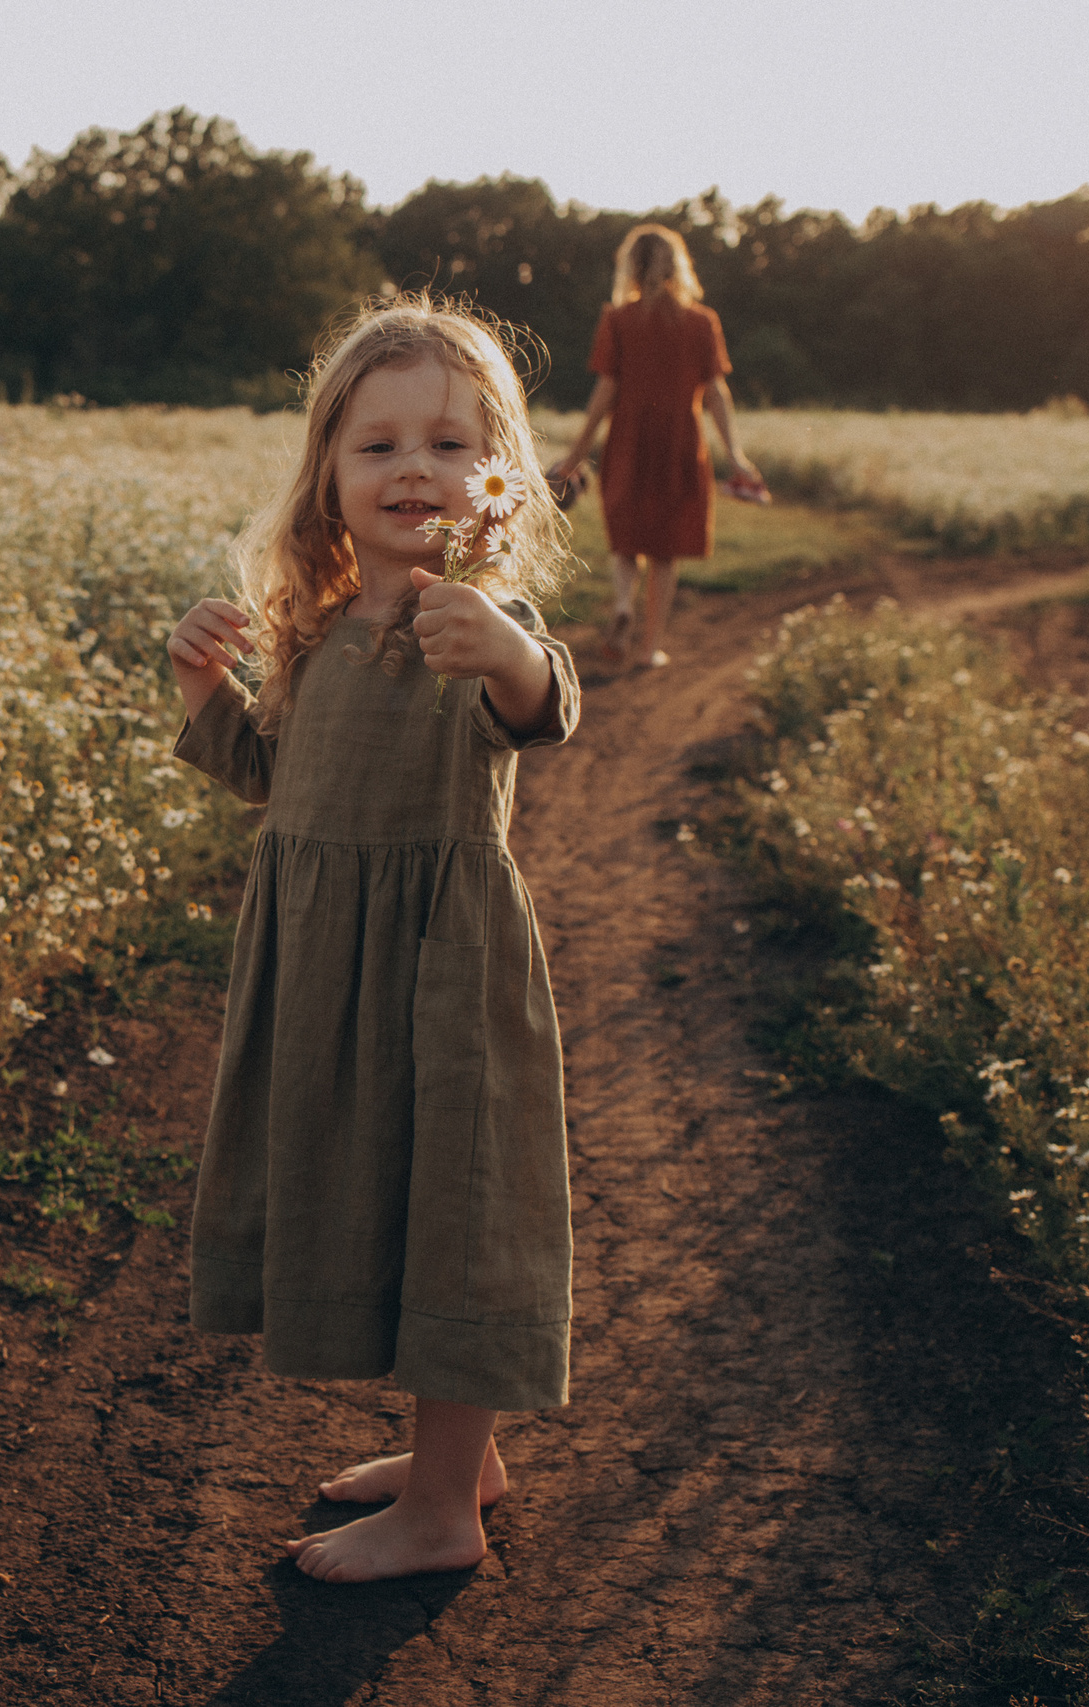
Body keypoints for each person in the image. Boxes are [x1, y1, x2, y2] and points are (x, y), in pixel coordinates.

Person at [164, 297, 580, 1584]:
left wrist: (506, 648)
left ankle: (443, 1513)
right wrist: (203, 689)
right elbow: (271, 779)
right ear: (328, 476)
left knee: (454, 1210)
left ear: (498, 479)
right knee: (385, 1198)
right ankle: (464, 1458)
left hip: (441, 975)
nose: (416, 470)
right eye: (380, 445)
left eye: (453, 446)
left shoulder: (475, 623)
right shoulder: (314, 629)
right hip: (324, 975)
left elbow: (544, 701)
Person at [547, 222, 762, 670]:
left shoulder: (618, 320)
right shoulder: (702, 321)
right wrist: (735, 454)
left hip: (629, 439)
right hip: (681, 443)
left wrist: (575, 455)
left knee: (626, 538)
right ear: (678, 266)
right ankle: (650, 648)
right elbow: (718, 394)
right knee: (664, 550)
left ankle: (624, 602)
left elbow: (604, 395)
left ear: (632, 266)